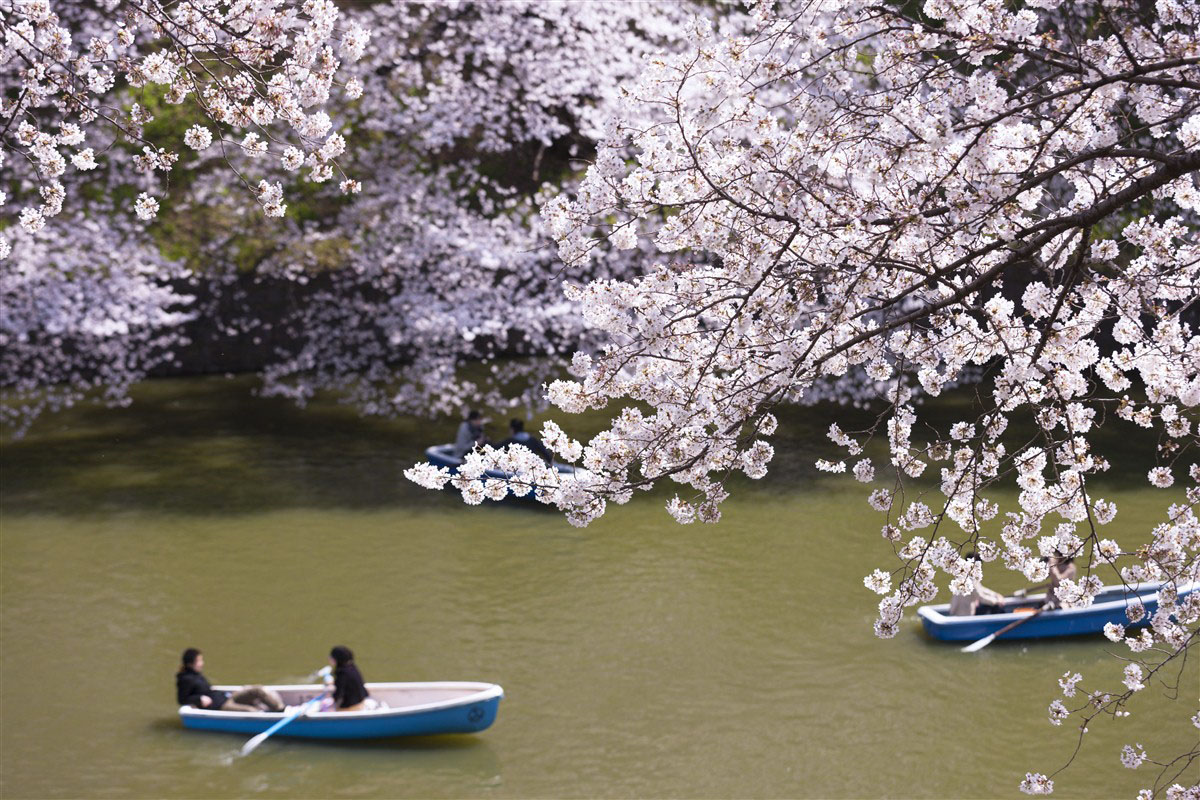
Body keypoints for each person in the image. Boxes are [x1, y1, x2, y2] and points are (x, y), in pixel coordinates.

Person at [175, 648, 285, 712]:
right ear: (190, 664)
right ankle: (272, 717)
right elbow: (182, 699)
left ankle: (280, 709)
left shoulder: (196, 674)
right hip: (220, 706)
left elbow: (208, 691)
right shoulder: (185, 679)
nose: (202, 663)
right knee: (251, 711)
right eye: (199, 661)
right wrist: (199, 698)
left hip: (225, 697)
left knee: (257, 690)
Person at [329, 645, 370, 712]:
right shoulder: (352, 667)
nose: (329, 658)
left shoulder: (342, 673)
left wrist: (332, 704)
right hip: (360, 701)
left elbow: (338, 694)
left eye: (331, 656)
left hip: (350, 707)